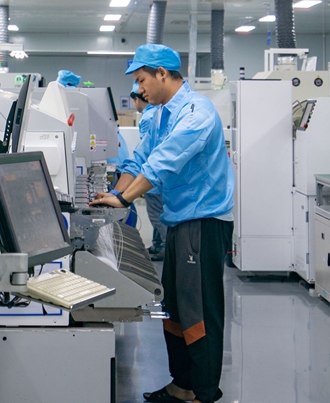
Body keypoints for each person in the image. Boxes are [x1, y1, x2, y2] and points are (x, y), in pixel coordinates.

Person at [93, 44, 234, 403]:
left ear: (162, 73)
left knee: (198, 311)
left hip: (203, 221)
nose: (139, 89)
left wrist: (125, 199)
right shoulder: (158, 116)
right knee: (175, 308)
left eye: (142, 80)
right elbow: (139, 160)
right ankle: (182, 385)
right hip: (179, 220)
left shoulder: (196, 112)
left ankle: (204, 392)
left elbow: (163, 163)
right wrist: (114, 195)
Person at [129, 83, 166, 261]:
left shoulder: (147, 118)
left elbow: (147, 151)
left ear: (137, 99)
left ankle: (167, 247)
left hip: (154, 178)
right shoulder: (157, 113)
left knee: (157, 216)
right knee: (160, 214)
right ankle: (158, 244)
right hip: (160, 176)